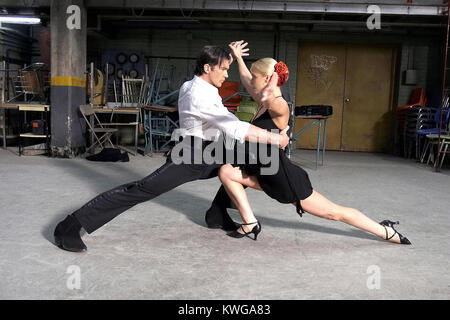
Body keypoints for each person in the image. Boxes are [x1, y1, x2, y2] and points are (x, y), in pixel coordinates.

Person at [54, 45, 290, 252]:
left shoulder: (198, 85)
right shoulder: (199, 94)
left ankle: (217, 214)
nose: (227, 75)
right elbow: (234, 128)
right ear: (208, 68)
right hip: (191, 155)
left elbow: (228, 117)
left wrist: (234, 57)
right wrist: (274, 138)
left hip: (214, 148)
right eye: (223, 69)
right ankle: (71, 226)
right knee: (142, 189)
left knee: (251, 159)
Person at [205, 40, 411, 245]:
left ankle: (385, 231)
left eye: (257, 77)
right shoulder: (263, 99)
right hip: (264, 174)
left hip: (283, 180)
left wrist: (269, 93)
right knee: (227, 171)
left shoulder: (279, 105)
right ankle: (250, 222)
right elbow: (247, 79)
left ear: (268, 79)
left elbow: (274, 102)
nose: (251, 81)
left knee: (334, 213)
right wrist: (239, 58)